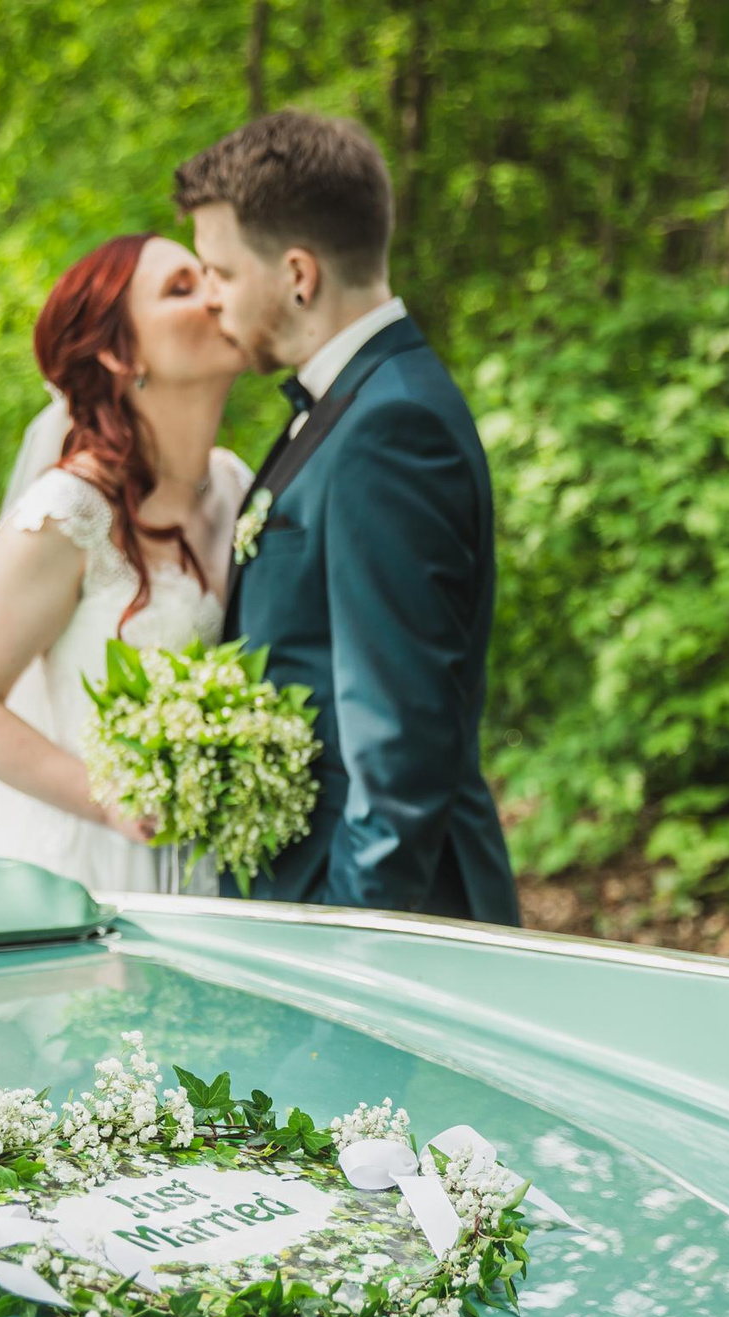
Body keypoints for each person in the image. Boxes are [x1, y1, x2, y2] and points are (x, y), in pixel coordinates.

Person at [174, 111, 520, 925]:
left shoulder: (391, 429)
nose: (211, 298)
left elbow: (399, 754)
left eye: (220, 271)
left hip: (381, 923)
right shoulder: (354, 403)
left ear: (298, 273)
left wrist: (343, 956)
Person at [0, 234, 252, 893]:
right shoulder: (69, 513)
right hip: (99, 870)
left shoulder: (235, 484)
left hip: (212, 866)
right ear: (118, 351)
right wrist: (112, 800)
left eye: (212, 276)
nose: (217, 296)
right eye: (181, 289)